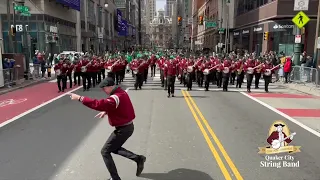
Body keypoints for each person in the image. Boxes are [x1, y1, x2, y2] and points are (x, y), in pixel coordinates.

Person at [69, 77, 146, 180]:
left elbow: (98, 104)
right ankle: (138, 158)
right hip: (127, 127)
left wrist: (80, 98)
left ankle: (115, 178)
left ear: (110, 87)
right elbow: (119, 107)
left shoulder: (115, 97)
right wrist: (106, 111)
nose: (103, 91)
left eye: (104, 88)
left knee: (105, 151)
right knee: (112, 148)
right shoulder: (121, 93)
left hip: (123, 129)